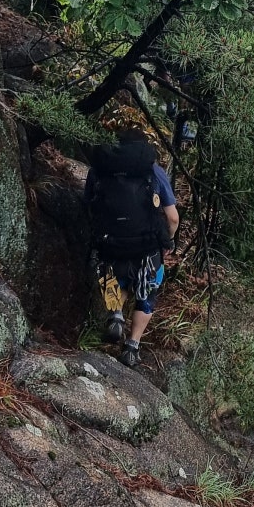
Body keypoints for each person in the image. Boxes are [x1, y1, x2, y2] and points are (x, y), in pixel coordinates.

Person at [84, 130, 179, 369]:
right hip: (147, 246)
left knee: (114, 279)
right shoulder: (153, 171)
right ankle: (132, 346)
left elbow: (89, 205)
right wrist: (167, 242)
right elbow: (172, 217)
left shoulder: (100, 168)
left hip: (110, 242)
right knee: (147, 292)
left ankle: (116, 314)